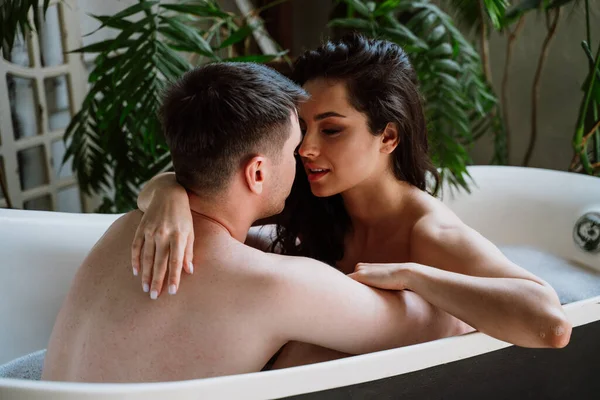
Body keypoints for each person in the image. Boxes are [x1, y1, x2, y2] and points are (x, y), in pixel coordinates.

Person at [131, 35, 571, 368]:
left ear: (389, 136)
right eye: (302, 129)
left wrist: (414, 276)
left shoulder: (427, 232)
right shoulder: (312, 196)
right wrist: (168, 193)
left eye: (332, 129)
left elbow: (550, 324)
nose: (305, 148)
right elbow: (214, 181)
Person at [42, 62, 470, 383]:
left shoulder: (126, 229)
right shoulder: (280, 285)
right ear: (258, 172)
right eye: (295, 146)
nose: (303, 157)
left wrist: (163, 190)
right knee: (321, 347)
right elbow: (447, 325)